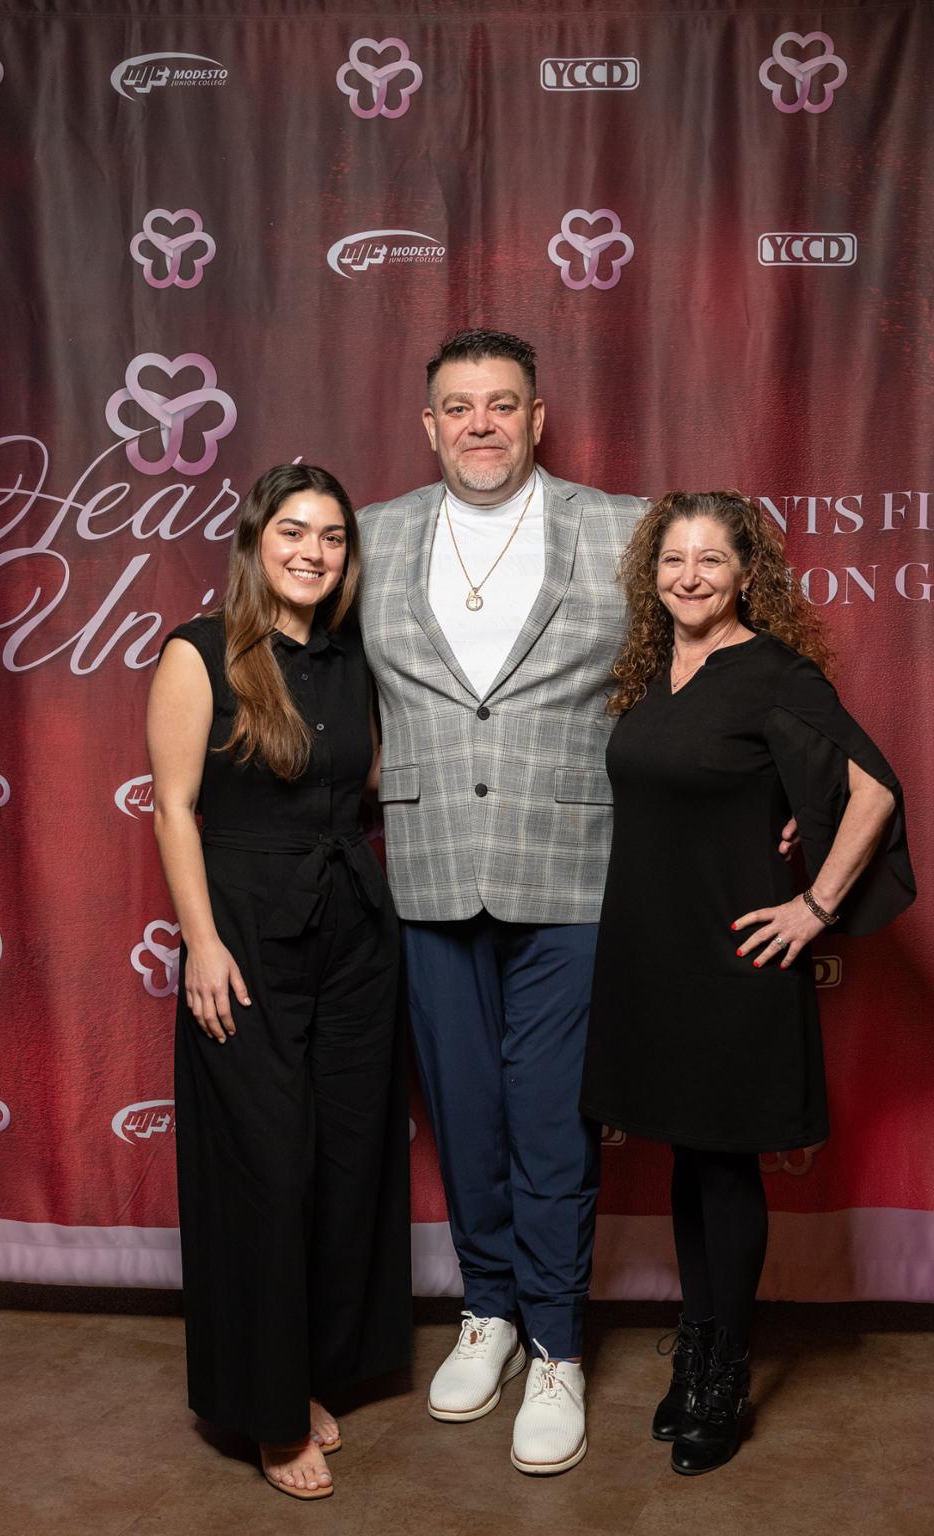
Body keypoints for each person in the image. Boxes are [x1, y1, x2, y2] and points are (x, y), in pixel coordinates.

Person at [356, 328, 646, 1475]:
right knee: (465, 1109)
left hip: (573, 863)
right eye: (458, 406)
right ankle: (490, 1311)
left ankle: (560, 1342)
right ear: (428, 425)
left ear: (539, 418)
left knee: (552, 1116)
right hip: (426, 866)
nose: (480, 423)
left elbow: (705, 663)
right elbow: (303, 680)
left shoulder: (621, 528)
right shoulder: (368, 538)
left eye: (502, 404)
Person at [580, 490, 915, 1476]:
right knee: (689, 1161)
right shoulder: (650, 675)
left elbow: (875, 788)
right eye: (672, 559)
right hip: (651, 953)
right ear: (653, 574)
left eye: (711, 561)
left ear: (745, 576)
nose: (689, 575)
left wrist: (813, 903)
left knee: (723, 1168)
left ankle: (722, 1378)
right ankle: (697, 1353)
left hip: (732, 957)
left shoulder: (771, 671)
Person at [146, 463, 410, 1501]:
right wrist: (201, 944)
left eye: (333, 536)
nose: (313, 550)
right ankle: (263, 1409)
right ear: (256, 542)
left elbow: (378, 786)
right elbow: (173, 809)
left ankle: (311, 1368)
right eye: (293, 531)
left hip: (353, 928)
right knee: (267, 1166)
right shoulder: (199, 650)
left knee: (346, 1154)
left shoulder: (355, 662)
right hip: (244, 926)